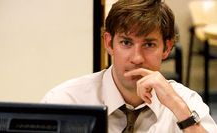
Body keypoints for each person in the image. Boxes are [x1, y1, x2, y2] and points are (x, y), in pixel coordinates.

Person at [41, 0, 217, 132]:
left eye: (149, 44)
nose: (137, 58)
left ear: (167, 48)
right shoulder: (66, 101)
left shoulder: (185, 102)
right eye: (126, 42)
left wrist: (179, 109)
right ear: (109, 44)